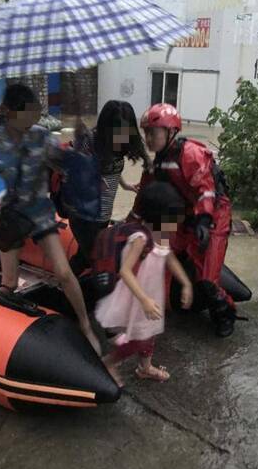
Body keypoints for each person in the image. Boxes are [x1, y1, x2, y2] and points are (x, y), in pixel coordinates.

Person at [0, 84, 102, 355]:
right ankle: (1, 332)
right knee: (8, 284)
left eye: (37, 112)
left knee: (63, 272)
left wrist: (82, 144)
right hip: (8, 217)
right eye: (29, 112)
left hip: (39, 214)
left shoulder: (42, 137)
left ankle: (84, 324)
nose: (35, 118)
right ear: (11, 112)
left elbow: (67, 163)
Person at [131, 103, 238, 338]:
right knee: (161, 253)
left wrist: (203, 220)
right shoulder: (155, 165)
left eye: (153, 133)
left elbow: (206, 190)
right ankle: (171, 298)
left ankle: (225, 312)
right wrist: (131, 223)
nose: (148, 139)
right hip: (185, 215)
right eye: (145, 133)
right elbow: (143, 199)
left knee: (208, 280)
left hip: (213, 216)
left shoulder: (191, 154)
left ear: (170, 132)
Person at [96, 181, 192, 386]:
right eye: (172, 220)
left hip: (150, 294)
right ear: (159, 217)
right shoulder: (140, 238)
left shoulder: (161, 236)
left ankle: (145, 367)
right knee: (139, 338)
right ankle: (109, 362)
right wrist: (145, 300)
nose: (175, 226)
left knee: (151, 332)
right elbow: (125, 271)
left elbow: (169, 257)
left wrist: (185, 283)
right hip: (136, 296)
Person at [67, 100, 149, 276]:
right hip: (83, 215)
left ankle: (64, 284)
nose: (122, 138)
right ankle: (76, 290)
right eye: (117, 132)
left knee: (84, 256)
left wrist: (125, 185)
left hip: (103, 215)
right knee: (97, 259)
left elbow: (112, 169)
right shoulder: (89, 142)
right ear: (106, 128)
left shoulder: (123, 143)